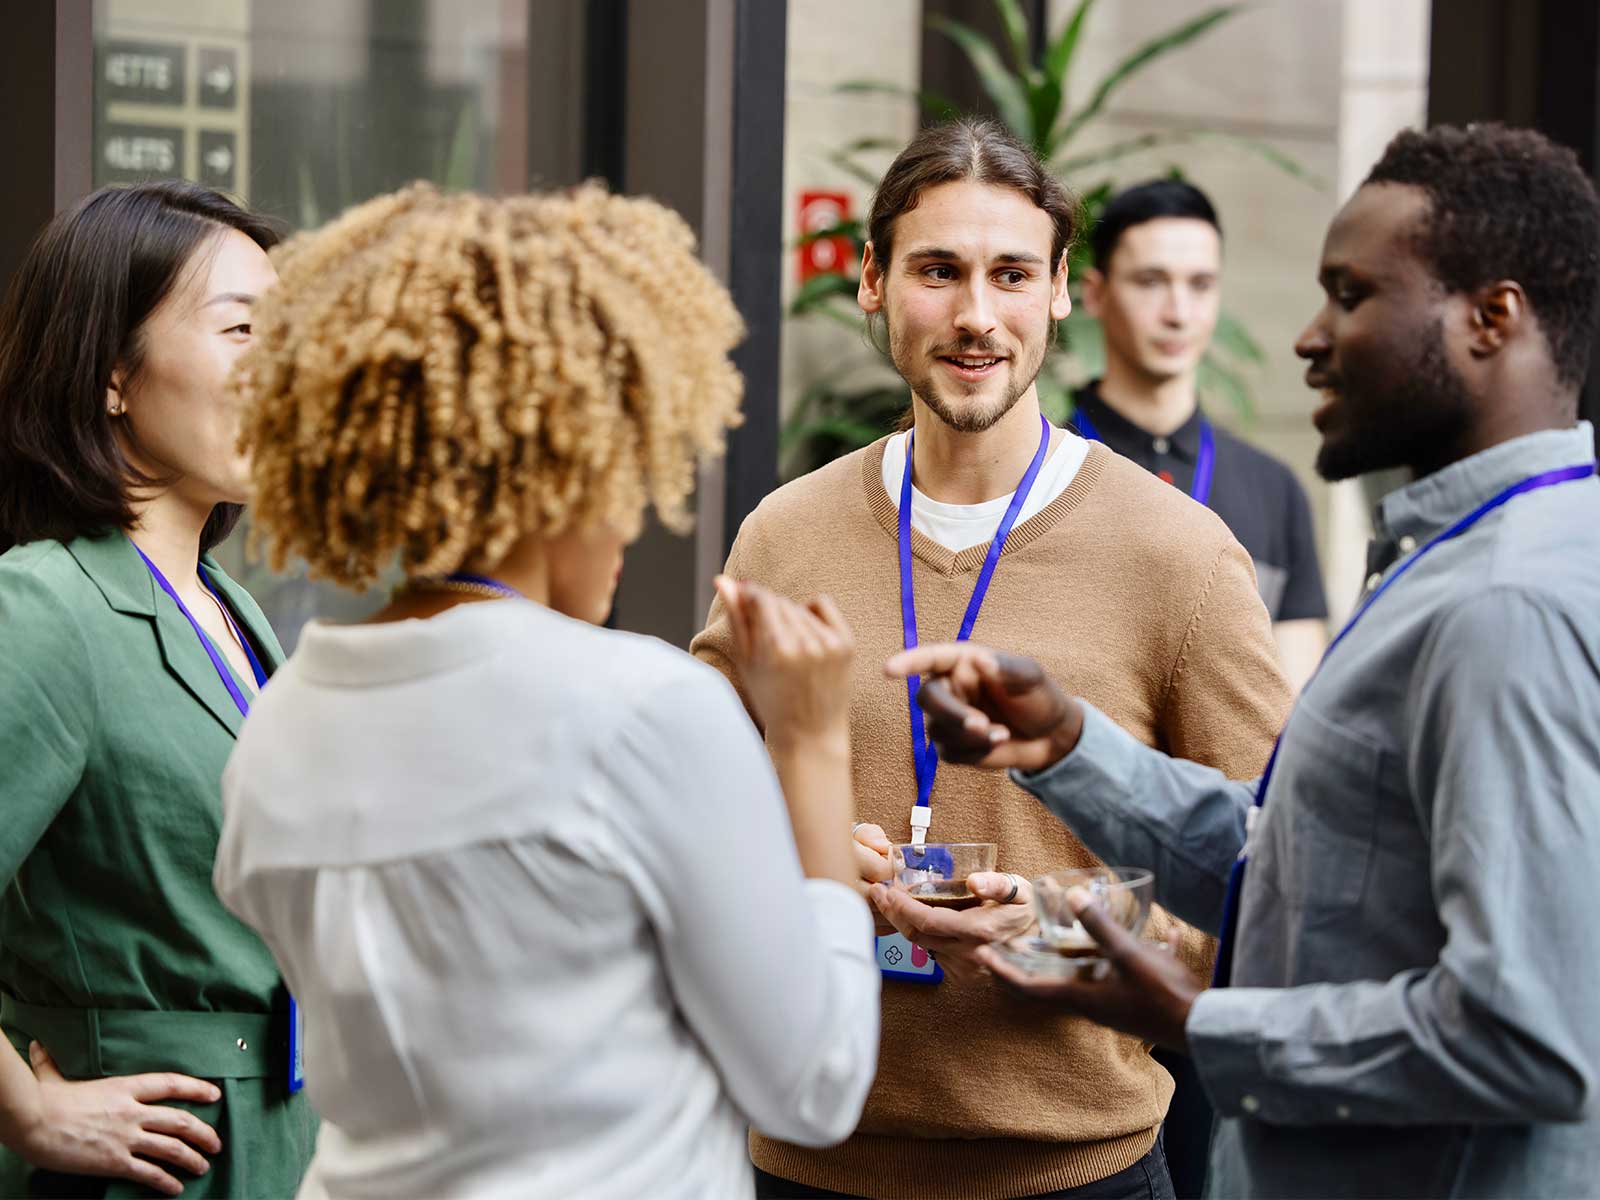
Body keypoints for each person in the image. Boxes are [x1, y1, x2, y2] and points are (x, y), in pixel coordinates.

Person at [891, 123, 1600, 1199]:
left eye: (1350, 296)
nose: (1307, 338)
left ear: (1490, 319)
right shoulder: (1471, 560)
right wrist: (1071, 747)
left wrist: (1192, 1017)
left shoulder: (1506, 603)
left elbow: (1529, 1036)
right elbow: (1308, 873)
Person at [211, 183, 881, 1200]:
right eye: (622, 464)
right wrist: (812, 748)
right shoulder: (637, 708)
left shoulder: (281, 717)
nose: (630, 514)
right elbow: (815, 1085)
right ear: (563, 458)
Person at [691, 118, 1290, 1200]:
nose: (975, 315)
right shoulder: (782, 534)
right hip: (799, 1168)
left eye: (1011, 274)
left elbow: (1276, 910)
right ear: (872, 281)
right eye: (937, 271)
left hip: (1078, 1177)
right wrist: (819, 856)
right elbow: (686, 830)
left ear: (1062, 290)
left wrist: (1059, 926)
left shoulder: (1180, 556)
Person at [0, 181, 317, 1196]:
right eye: (240, 330)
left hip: (276, 1145)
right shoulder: (46, 605)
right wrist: (31, 1109)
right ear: (111, 376)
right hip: (150, 1165)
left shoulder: (232, 607)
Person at [1074, 179, 1329, 692]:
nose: (1179, 313)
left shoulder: (1274, 490)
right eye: (1150, 281)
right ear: (1095, 294)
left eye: (1200, 284)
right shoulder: (1038, 465)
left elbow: (1292, 705)